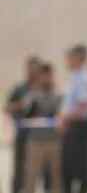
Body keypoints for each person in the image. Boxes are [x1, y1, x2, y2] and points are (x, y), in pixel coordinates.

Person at [21, 63, 63, 193]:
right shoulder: (32, 95)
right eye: (44, 76)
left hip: (54, 140)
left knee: (57, 175)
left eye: (49, 76)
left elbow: (60, 113)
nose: (46, 79)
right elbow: (27, 114)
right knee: (31, 175)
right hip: (36, 141)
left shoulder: (58, 94)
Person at [59, 44, 87, 193]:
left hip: (79, 125)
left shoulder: (84, 77)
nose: (67, 60)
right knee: (68, 168)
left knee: (79, 167)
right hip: (72, 125)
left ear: (78, 58)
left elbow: (84, 104)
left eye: (70, 57)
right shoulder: (74, 76)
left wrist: (65, 119)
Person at [6, 56, 41, 193]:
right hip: (23, 134)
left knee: (37, 170)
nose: (32, 72)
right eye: (30, 69)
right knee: (19, 168)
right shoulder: (20, 88)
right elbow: (7, 107)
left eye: (35, 69)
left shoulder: (43, 88)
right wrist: (20, 105)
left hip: (40, 136)